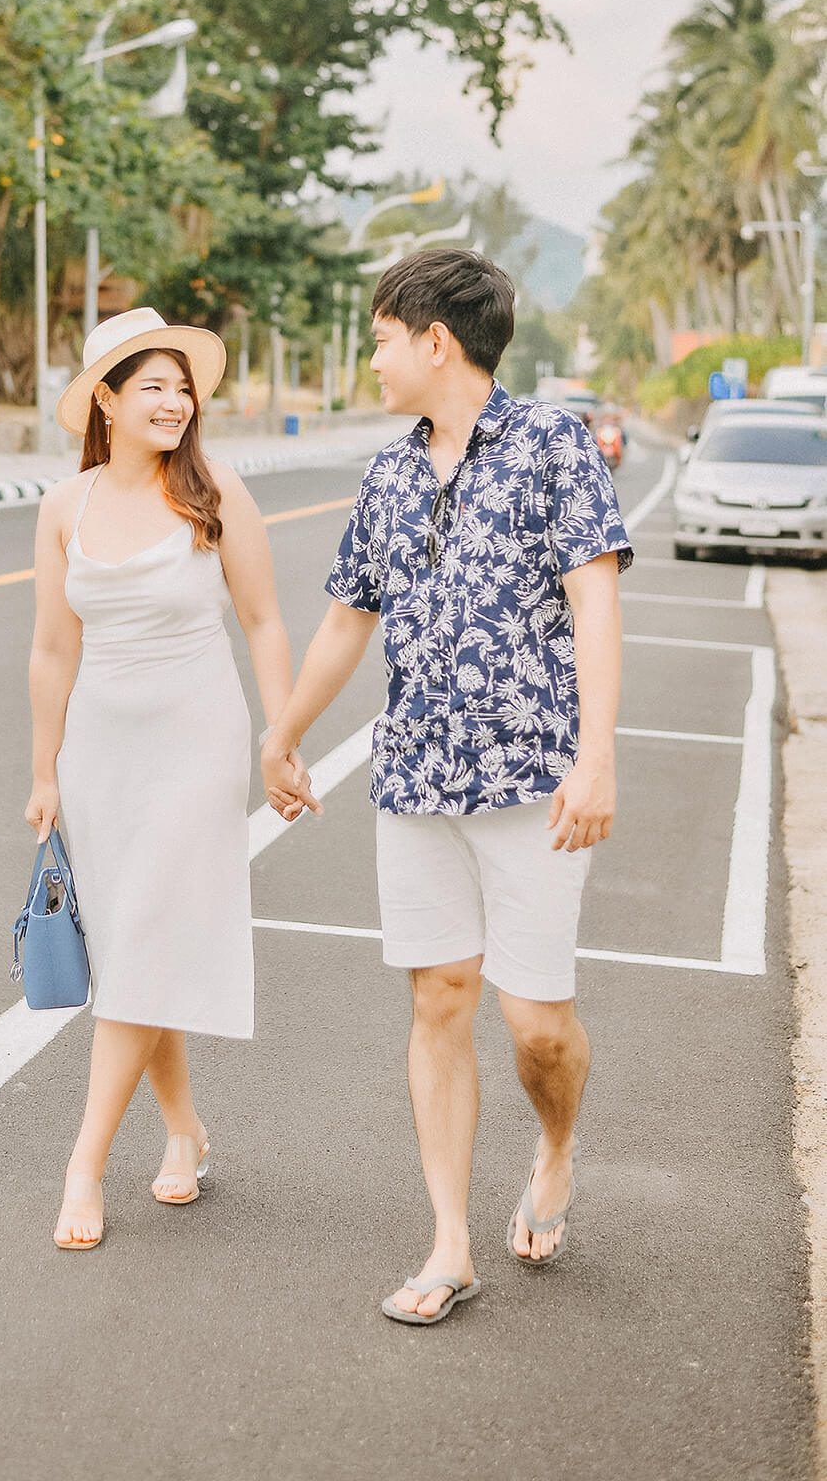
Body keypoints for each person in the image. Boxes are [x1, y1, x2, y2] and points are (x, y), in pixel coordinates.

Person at [261, 249, 631, 1326]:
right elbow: (346, 615)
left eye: (379, 336)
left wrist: (595, 752)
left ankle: (556, 1144)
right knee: (438, 999)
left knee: (536, 1026)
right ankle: (448, 1242)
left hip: (533, 778)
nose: (370, 356)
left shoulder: (552, 444)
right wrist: (281, 733)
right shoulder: (387, 471)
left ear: (435, 339)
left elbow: (593, 599)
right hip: (416, 775)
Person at [24, 307, 305, 1252]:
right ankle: (184, 1129)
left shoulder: (216, 492)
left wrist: (282, 738)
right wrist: (43, 773)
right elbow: (52, 650)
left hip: (195, 740)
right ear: (106, 398)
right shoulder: (67, 508)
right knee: (143, 945)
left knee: (145, 937)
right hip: (100, 752)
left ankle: (82, 1165)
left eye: (184, 387)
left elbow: (264, 620)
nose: (176, 401)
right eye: (154, 385)